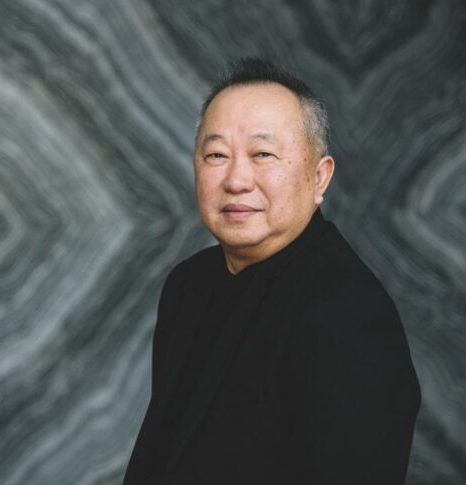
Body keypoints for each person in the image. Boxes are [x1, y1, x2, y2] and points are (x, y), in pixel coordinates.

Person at [123, 57, 421, 484]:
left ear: (319, 178)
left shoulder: (348, 314)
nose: (236, 180)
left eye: (263, 154)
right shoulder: (188, 284)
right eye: (216, 155)